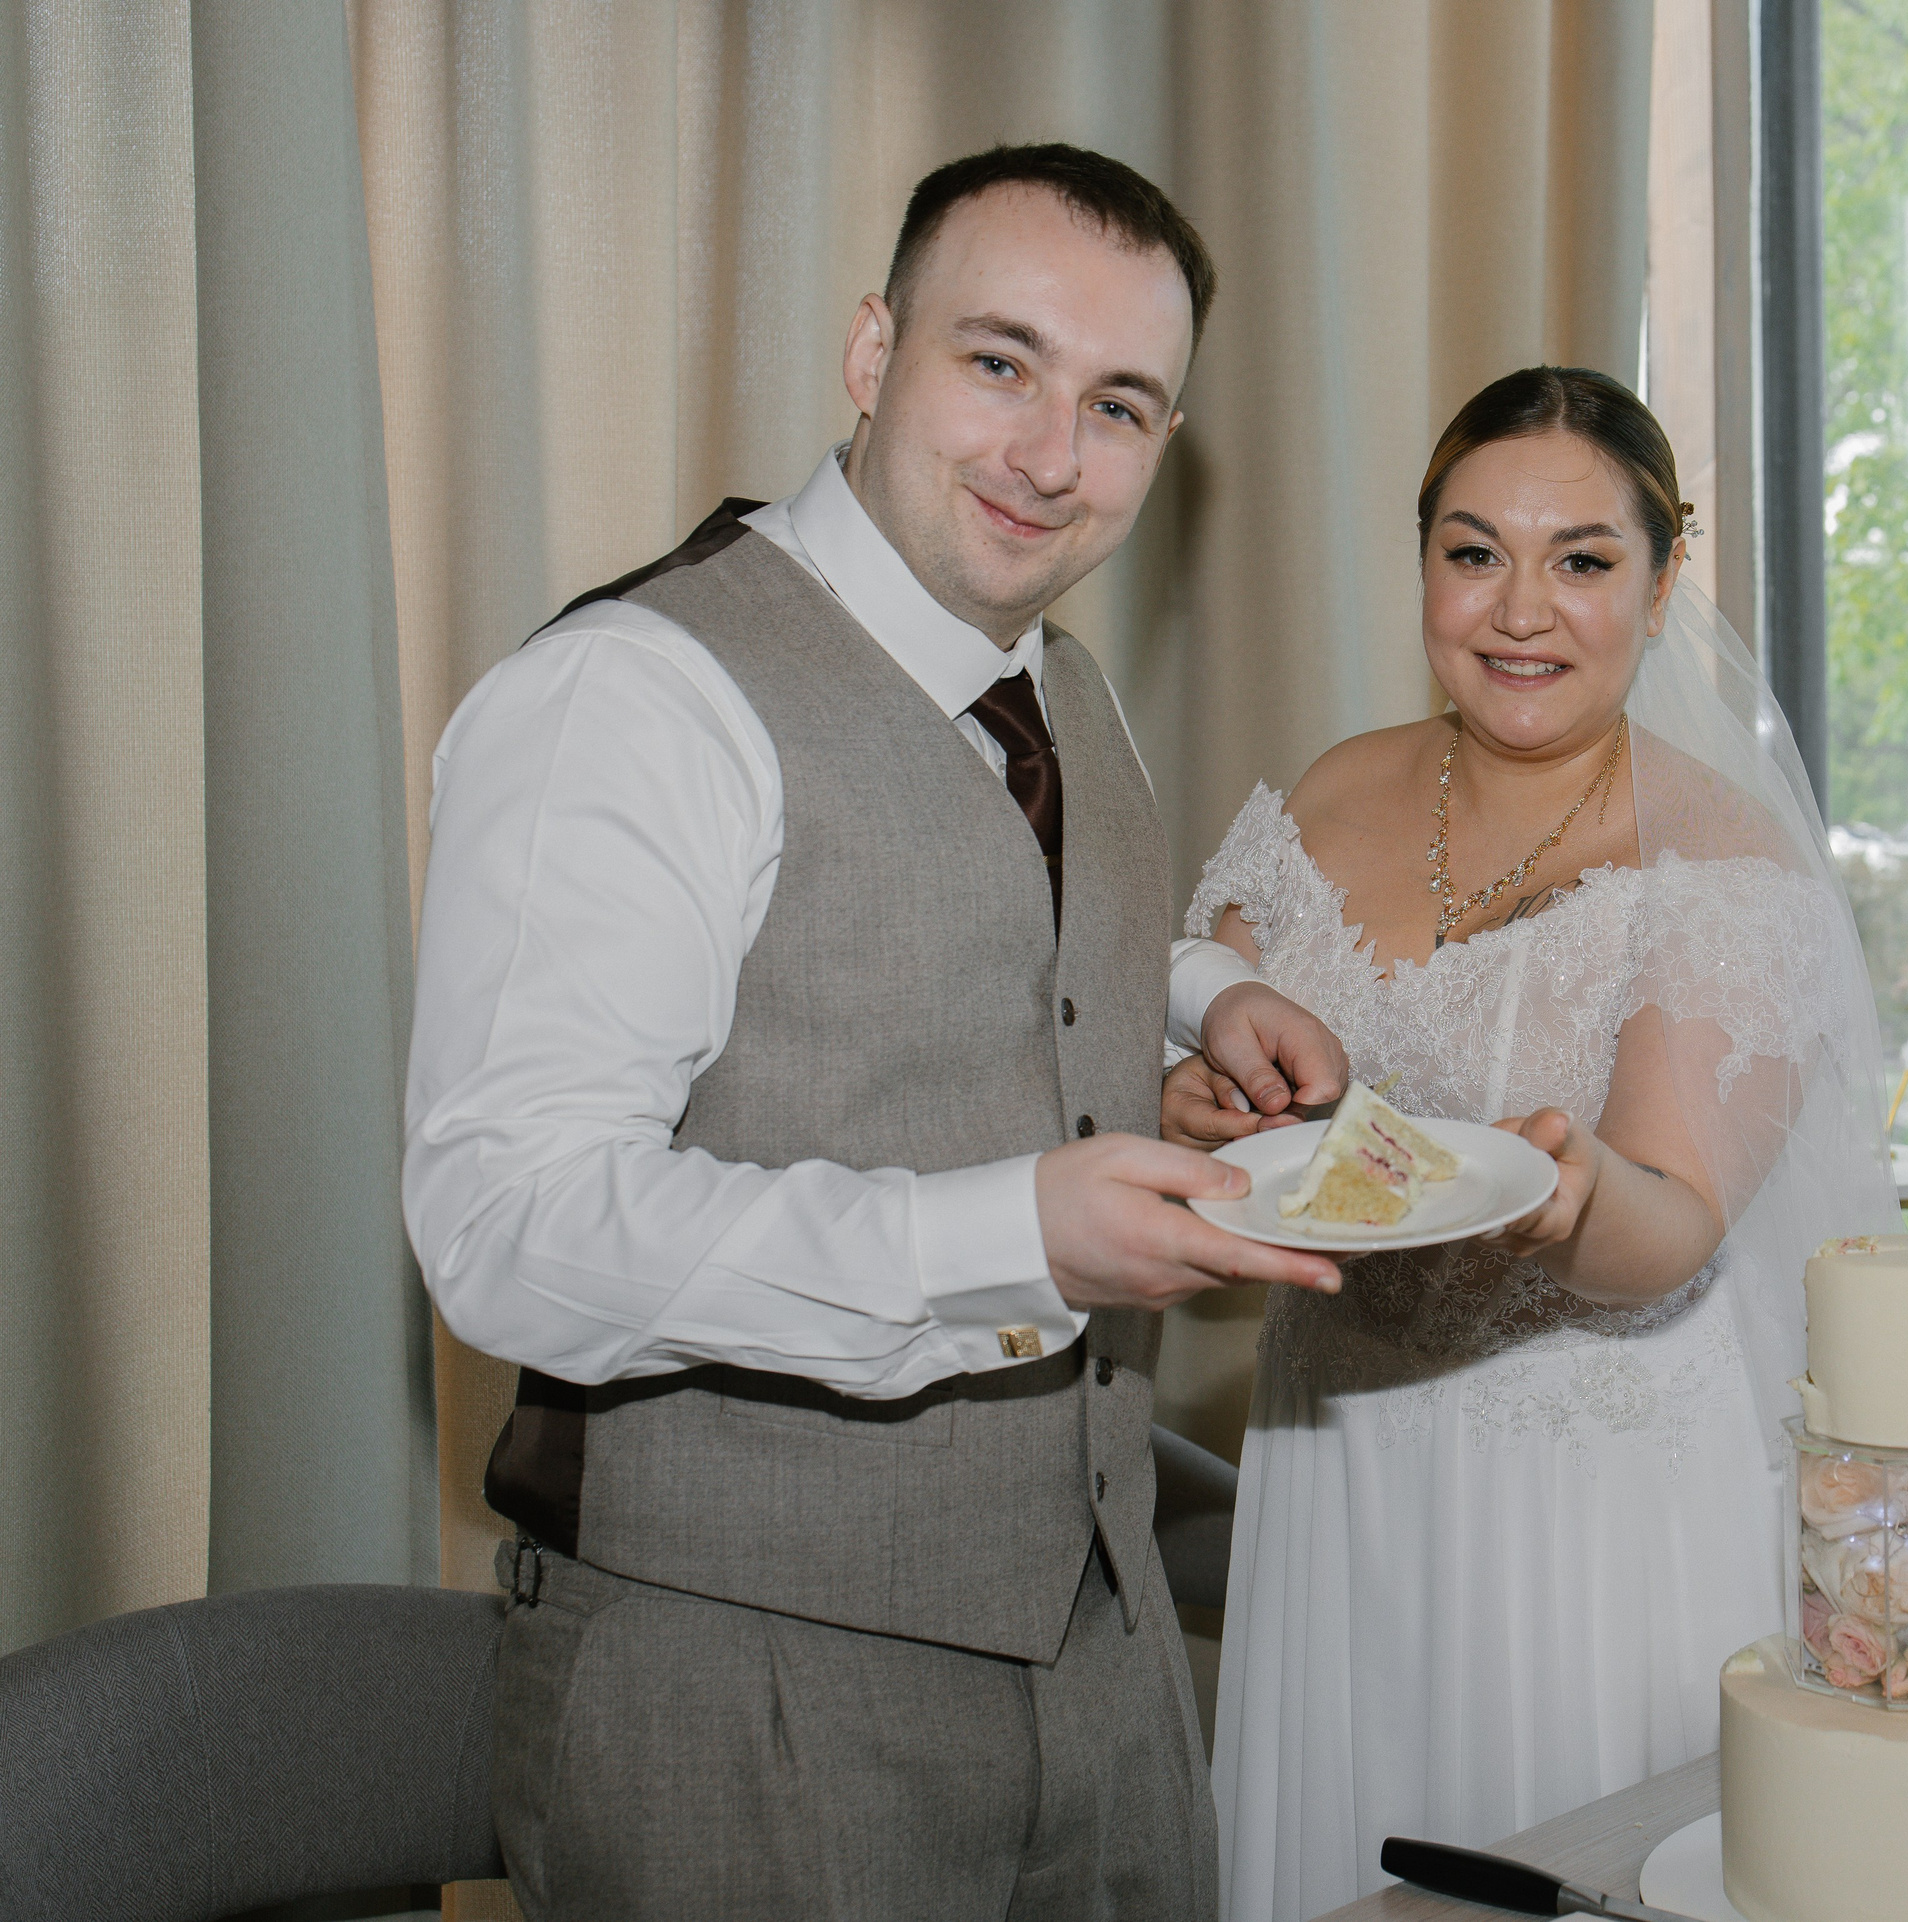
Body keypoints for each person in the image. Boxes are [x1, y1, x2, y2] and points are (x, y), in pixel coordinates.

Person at [402, 144, 1348, 1922]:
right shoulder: (638, 698)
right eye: (999, 362)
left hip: (1104, 1658)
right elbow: (510, 1229)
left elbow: (988, 925)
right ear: (870, 350)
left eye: (1121, 404)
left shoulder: (1059, 684)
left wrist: (1199, 997)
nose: (1051, 456)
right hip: (747, 1694)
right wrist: (1018, 1232)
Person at [1164, 367, 1900, 1922]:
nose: (1521, 611)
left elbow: (1675, 1220)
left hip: (1589, 1495)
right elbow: (1204, 1057)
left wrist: (1568, 1201)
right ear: (1422, 560)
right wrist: (1200, 1104)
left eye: (1582, 560)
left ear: (1661, 577)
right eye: (1472, 550)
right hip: (1342, 1458)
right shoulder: (1330, 795)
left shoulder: (1722, 856)